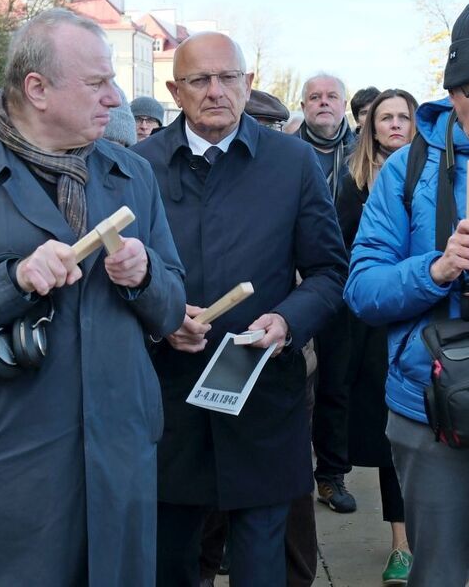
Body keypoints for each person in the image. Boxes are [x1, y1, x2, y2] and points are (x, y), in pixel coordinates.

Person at [0, 8, 185, 586]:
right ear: (37, 89)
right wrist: (11, 279)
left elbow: (172, 308)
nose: (116, 97)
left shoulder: (130, 174)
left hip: (115, 453)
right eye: (97, 82)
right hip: (1, 464)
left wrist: (145, 276)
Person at [133, 32, 347, 587]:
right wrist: (160, 319)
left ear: (248, 84)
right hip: (169, 399)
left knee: (262, 565)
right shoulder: (138, 167)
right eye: (199, 80)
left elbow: (328, 272)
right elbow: (113, 279)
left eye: (229, 77)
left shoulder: (292, 162)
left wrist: (288, 321)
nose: (216, 91)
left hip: (260, 394)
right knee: (169, 562)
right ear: (175, 90)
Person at [344, 2, 469, 587]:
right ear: (452, 93)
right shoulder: (406, 172)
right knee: (440, 574)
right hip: (433, 406)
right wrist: (437, 268)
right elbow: (362, 291)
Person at [335, 87, 418, 586]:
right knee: (390, 436)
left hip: (426, 318)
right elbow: (340, 252)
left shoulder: (435, 172)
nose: (393, 124)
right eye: (384, 117)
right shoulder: (353, 179)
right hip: (371, 329)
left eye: (401, 116)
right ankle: (401, 544)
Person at [294, 72, 360, 515]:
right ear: (303, 106)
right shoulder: (285, 151)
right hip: (290, 283)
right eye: (314, 97)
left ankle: (331, 476)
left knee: (336, 382)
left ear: (344, 104)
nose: (323, 103)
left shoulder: (362, 153)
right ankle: (290, 472)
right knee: (290, 383)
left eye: (331, 96)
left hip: (345, 283)